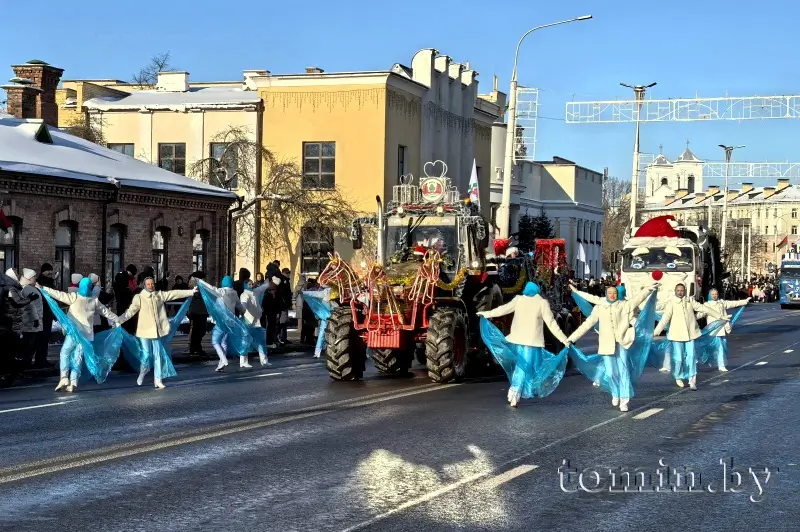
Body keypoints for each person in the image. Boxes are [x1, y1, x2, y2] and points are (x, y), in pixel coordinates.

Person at [477, 282, 571, 408]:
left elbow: (502, 310)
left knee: (522, 366)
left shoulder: (519, 300)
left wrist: (486, 314)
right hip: (531, 342)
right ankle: (514, 393)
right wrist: (564, 339)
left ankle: (515, 392)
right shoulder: (542, 303)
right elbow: (551, 324)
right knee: (524, 367)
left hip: (517, 340)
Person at [567, 284, 657, 412]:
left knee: (623, 370)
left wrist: (648, 289)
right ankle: (615, 393)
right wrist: (572, 338)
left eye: (614, 293)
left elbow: (638, 298)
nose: (612, 295)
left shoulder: (624, 305)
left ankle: (624, 400)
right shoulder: (599, 307)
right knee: (611, 372)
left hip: (622, 342)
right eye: (610, 293)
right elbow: (587, 324)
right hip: (606, 344)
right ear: (606, 294)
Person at [39, 277, 120, 392]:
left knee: (65, 353)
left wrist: (43, 288)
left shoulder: (74, 297)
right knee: (78, 357)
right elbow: (107, 312)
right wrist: (119, 319)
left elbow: (58, 294)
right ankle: (73, 382)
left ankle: (63, 377)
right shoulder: (94, 300)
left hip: (74, 333)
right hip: (86, 335)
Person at [116, 277, 195, 388]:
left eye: (152, 284)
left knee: (158, 355)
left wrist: (190, 292)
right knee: (146, 355)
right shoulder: (139, 297)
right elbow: (130, 312)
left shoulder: (159, 295)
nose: (151, 286)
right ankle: (143, 372)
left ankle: (158, 379)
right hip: (144, 331)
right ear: (144, 285)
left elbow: (173, 294)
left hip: (156, 331)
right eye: (148, 284)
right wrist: (119, 320)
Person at [653, 283, 726, 390]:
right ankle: (678, 376)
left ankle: (692, 381)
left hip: (690, 334)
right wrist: (656, 332)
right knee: (678, 358)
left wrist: (719, 316)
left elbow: (703, 308)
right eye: (678, 290)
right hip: (676, 335)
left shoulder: (690, 301)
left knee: (691, 356)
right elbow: (665, 318)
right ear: (675, 291)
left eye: (682, 290)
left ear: (685, 291)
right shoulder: (672, 302)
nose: (680, 292)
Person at [197, 276, 246, 371]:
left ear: (223, 282)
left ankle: (223, 359)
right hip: (231, 321)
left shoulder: (222, 291)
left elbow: (211, 288)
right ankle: (221, 364)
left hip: (221, 321)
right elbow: (239, 306)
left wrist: (201, 282)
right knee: (224, 342)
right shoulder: (234, 292)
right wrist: (244, 311)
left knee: (215, 341)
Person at [1, 270, 38, 383]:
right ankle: (8, 373)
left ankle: (8, 373)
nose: (18, 276)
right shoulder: (10, 288)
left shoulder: (6, 287)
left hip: (8, 322)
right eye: (16, 274)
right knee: (10, 350)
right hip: (10, 323)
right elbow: (17, 302)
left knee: (7, 350)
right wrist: (29, 299)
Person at [698, 288, 749, 372]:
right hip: (713, 330)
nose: (715, 296)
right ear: (710, 295)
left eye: (716, 294)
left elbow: (733, 303)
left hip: (722, 329)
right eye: (713, 294)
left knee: (723, 347)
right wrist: (691, 317)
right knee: (719, 347)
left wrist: (744, 301)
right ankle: (721, 365)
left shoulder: (721, 303)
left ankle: (718, 363)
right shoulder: (707, 305)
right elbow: (700, 314)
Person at [240, 279, 272, 367]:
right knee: (246, 342)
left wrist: (267, 284)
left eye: (252, 284)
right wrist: (242, 309)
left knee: (261, 342)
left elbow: (261, 288)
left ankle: (264, 360)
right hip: (248, 322)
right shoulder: (244, 295)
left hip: (256, 323)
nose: (251, 286)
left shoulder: (254, 292)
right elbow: (243, 304)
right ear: (245, 285)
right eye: (249, 284)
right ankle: (243, 361)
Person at [19, 268, 43, 368]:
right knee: (30, 344)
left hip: (29, 321)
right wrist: (37, 319)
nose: (35, 279)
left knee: (29, 344)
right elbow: (32, 307)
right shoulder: (29, 290)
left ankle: (26, 362)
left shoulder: (25, 289)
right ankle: (26, 363)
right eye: (33, 277)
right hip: (32, 322)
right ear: (29, 278)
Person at [34, 264, 56, 368]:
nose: (50, 272)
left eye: (51, 270)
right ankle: (40, 360)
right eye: (48, 271)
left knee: (45, 338)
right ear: (43, 271)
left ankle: (42, 359)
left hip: (48, 313)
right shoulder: (40, 282)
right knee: (41, 338)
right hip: (42, 314)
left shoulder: (50, 282)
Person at [187, 272, 209, 357]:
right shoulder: (197, 287)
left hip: (199, 311)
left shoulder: (197, 287)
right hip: (198, 312)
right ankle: (196, 348)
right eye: (203, 278)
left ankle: (194, 348)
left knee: (198, 330)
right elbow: (201, 296)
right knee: (199, 330)